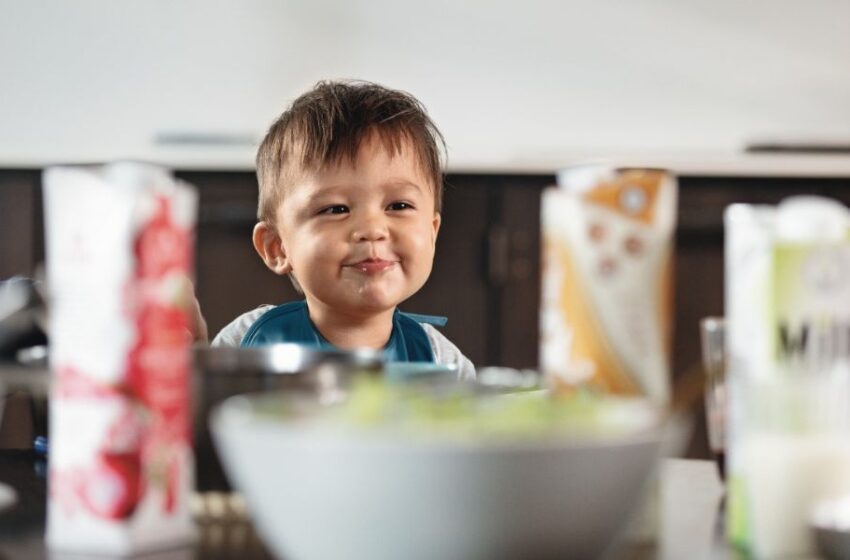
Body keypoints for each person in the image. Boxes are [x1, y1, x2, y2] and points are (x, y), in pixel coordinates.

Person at [211, 80, 475, 379]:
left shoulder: (443, 362)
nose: (372, 229)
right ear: (277, 247)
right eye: (336, 209)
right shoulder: (248, 345)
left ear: (432, 232)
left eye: (398, 206)